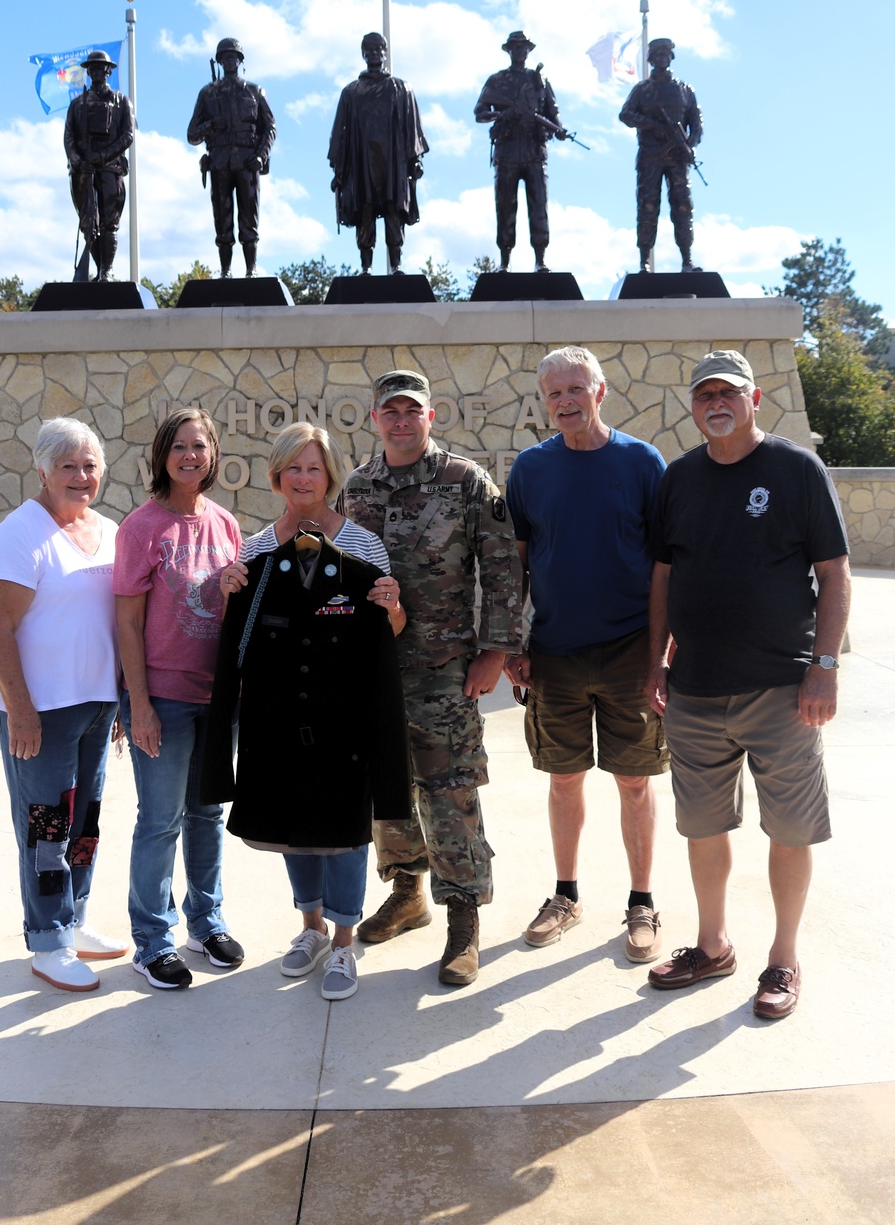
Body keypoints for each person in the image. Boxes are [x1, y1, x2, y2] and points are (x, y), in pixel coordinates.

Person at [645, 350, 851, 1018]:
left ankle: (784, 959)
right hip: (695, 690)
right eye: (704, 394)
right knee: (703, 827)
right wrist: (656, 663)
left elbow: (835, 573)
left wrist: (823, 666)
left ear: (754, 398)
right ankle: (713, 946)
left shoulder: (796, 470)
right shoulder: (678, 479)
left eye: (727, 393)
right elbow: (665, 579)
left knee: (788, 829)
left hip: (782, 692)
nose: (715, 404)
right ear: (694, 405)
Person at [208, 423, 411, 1001]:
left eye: (314, 468)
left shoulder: (364, 546)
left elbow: (391, 629)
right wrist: (227, 591)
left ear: (331, 476)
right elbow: (239, 632)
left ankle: (345, 943)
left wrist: (391, 607)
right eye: (293, 468)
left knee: (345, 830)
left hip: (345, 718)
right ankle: (311, 930)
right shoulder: (254, 548)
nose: (303, 478)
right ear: (277, 476)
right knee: (295, 829)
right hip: (277, 716)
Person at [337, 370, 524, 985]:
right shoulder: (358, 487)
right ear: (373, 419)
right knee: (385, 788)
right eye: (388, 410)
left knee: (449, 792)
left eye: (410, 410)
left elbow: (500, 570)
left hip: (444, 668)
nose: (399, 420)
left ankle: (463, 921)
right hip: (372, 667)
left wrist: (495, 651)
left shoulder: (466, 481)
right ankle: (408, 892)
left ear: (430, 416)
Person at [504, 348, 669, 962]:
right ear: (545, 401)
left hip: (630, 649)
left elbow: (664, 569)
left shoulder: (642, 462)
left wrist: (660, 656)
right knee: (564, 778)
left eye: (577, 389)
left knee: (634, 780)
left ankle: (642, 903)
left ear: (601, 392)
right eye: (554, 394)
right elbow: (516, 563)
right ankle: (566, 895)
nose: (566, 401)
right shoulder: (530, 469)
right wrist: (513, 641)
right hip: (554, 652)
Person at [0, 418, 125, 992]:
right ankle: (47, 939)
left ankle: (75, 918)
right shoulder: (19, 536)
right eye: (68, 466)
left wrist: (116, 696)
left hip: (96, 706)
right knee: (45, 827)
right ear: (42, 470)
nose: (81, 477)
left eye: (90, 466)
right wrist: (20, 710)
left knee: (83, 819)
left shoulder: (108, 530)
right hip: (41, 712)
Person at [114, 407, 245, 991]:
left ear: (213, 454)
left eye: (201, 446)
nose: (191, 456)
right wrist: (137, 704)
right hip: (162, 697)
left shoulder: (225, 524)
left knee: (207, 815)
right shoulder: (141, 528)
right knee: (160, 820)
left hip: (217, 699)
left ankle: (206, 921)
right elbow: (127, 624)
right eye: (179, 447)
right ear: (161, 457)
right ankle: (151, 939)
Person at [328, 32, 428, 274]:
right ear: (363, 54)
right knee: (365, 211)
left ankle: (396, 265)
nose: (374, 53)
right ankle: (366, 267)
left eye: (378, 48)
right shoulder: (351, 92)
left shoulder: (401, 88)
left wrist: (416, 159)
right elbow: (339, 134)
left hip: (393, 163)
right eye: (369, 49)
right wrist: (339, 170)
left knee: (394, 210)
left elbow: (413, 127)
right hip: (362, 163)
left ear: (385, 53)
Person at [474, 31, 567, 273]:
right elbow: (480, 113)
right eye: (515, 47)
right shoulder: (496, 80)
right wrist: (501, 115)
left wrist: (559, 128)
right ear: (509, 50)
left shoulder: (540, 81)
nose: (519, 51)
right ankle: (504, 261)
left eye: (523, 47)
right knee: (505, 207)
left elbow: (552, 111)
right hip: (507, 150)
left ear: (528, 50)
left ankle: (540, 259)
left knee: (539, 206)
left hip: (535, 150)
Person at [186, 37, 276, 278]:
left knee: (250, 219)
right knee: (222, 220)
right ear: (219, 61)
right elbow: (192, 134)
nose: (229, 61)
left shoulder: (255, 92)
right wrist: (211, 125)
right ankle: (225, 270)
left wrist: (261, 155)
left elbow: (270, 127)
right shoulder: (207, 94)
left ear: (240, 60)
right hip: (219, 163)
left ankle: (251, 269)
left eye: (233, 56)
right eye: (224, 57)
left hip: (248, 162)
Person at [618, 37, 703, 274]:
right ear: (652, 59)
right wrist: (652, 125)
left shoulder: (685, 90)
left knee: (683, 206)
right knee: (647, 207)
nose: (662, 59)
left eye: (666, 55)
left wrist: (690, 146)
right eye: (658, 55)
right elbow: (625, 115)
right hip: (650, 158)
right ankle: (644, 261)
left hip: (677, 158)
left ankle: (687, 260)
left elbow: (696, 124)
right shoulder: (643, 90)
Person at [64, 50, 134, 282]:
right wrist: (77, 160)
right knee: (87, 224)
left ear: (108, 71)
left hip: (110, 169)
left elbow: (127, 136)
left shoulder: (122, 101)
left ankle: (107, 270)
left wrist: (103, 156)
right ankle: (98, 267)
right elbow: (69, 137)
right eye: (92, 68)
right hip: (83, 171)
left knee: (109, 222)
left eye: (101, 68)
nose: (97, 72)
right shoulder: (77, 104)